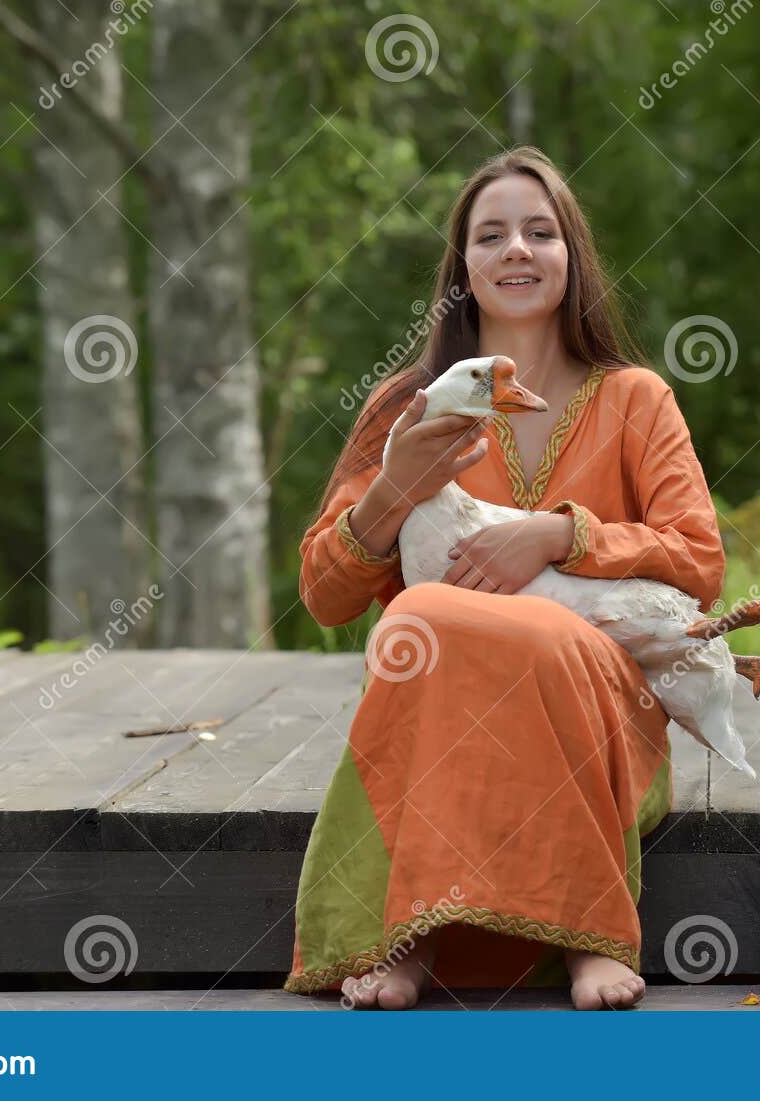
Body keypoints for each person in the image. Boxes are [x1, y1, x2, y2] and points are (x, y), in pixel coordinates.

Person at [285, 146, 725, 1009]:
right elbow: (325, 596)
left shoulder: (636, 399)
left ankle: (585, 932)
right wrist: (394, 488)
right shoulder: (406, 408)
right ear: (464, 270)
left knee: (486, 621)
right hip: (442, 699)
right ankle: (409, 936)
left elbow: (700, 564)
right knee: (429, 623)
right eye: (491, 235)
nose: (516, 249)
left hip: (602, 712)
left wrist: (561, 534)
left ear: (573, 257)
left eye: (540, 231)